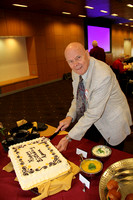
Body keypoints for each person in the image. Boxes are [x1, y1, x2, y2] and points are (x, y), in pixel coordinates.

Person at [55, 42, 132, 152]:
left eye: (78, 57)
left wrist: (68, 137)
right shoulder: (75, 71)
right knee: (88, 146)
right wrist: (70, 117)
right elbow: (77, 98)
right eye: (70, 61)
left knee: (113, 155)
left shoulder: (102, 75)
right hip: (92, 114)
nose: (75, 64)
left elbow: (93, 113)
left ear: (87, 53)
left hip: (112, 117)